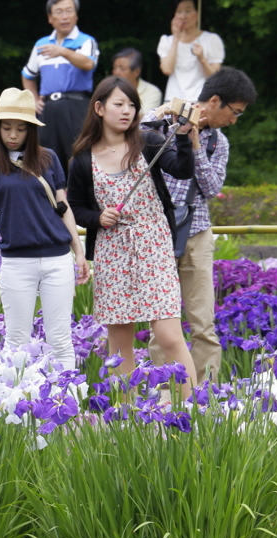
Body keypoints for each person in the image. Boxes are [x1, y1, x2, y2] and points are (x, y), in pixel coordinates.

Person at [66, 77, 197, 398]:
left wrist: (181, 138)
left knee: (168, 335)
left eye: (132, 105)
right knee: (120, 341)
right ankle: (127, 414)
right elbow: (76, 207)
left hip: (154, 245)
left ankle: (196, 407)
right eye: (118, 104)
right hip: (113, 252)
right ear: (99, 108)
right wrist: (98, 218)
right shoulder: (82, 159)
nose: (127, 111)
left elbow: (182, 169)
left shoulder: (148, 141)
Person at [0, 88, 90, 371]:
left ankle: (69, 403)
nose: (12, 134)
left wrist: (79, 252)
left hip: (57, 259)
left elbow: (63, 207)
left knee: (60, 339)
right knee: (17, 341)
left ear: (31, 130)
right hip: (17, 262)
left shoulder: (48, 159)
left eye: (20, 128)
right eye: (6, 127)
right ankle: (16, 406)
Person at [145, 67, 257, 384]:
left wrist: (195, 144)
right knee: (163, 323)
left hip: (197, 233)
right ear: (215, 101)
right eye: (234, 112)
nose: (235, 120)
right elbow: (131, 135)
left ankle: (204, 395)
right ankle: (163, 392)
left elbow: (210, 189)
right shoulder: (164, 123)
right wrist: (164, 112)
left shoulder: (219, 143)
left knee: (202, 322)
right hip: (157, 232)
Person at [22, 0, 99, 172]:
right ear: (50, 17)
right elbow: (27, 75)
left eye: (69, 11)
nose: (64, 16)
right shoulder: (41, 44)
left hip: (76, 105)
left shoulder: (86, 41)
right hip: (47, 108)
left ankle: (79, 197)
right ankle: (50, 197)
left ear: (76, 15)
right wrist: (33, 98)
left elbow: (89, 64)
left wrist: (62, 51)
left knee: (79, 155)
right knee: (45, 158)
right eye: (59, 12)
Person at [158, 0, 225, 102]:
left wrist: (202, 58)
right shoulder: (167, 40)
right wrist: (176, 39)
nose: (183, 16)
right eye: (179, 11)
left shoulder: (211, 39)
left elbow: (215, 77)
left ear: (198, 14)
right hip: (173, 100)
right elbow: (167, 69)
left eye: (188, 11)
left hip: (199, 100)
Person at [112, 48, 162, 116]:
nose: (116, 72)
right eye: (114, 68)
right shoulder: (110, 90)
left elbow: (145, 118)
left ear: (136, 72)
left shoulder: (152, 92)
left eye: (122, 69)